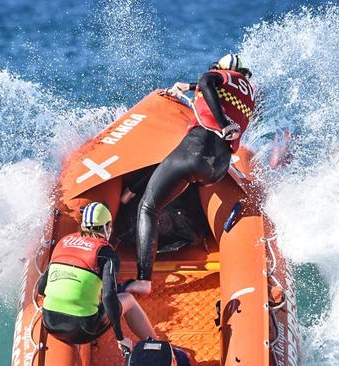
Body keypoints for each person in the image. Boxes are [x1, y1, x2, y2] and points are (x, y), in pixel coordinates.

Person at [127, 54, 256, 295]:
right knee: (182, 182)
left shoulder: (216, 76)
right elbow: (214, 88)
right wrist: (188, 87)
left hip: (196, 151)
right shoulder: (247, 94)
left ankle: (143, 280)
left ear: (219, 68)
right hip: (217, 167)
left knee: (148, 208)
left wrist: (221, 122)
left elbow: (207, 82)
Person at [38, 202, 157, 353]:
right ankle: (155, 344)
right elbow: (108, 298)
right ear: (108, 227)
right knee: (128, 299)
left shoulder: (63, 242)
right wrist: (121, 338)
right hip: (83, 330)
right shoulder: (107, 253)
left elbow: (42, 288)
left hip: (49, 324)